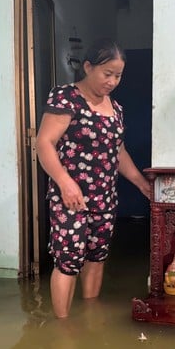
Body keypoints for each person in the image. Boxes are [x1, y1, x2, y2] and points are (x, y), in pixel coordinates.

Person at [36, 38, 150, 318]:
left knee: (97, 257)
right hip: (70, 196)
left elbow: (118, 152)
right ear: (87, 67)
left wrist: (141, 184)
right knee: (68, 260)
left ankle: (88, 317)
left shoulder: (116, 109)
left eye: (118, 75)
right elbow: (44, 143)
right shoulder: (66, 98)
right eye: (107, 73)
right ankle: (62, 328)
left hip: (105, 197)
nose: (112, 81)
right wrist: (65, 182)